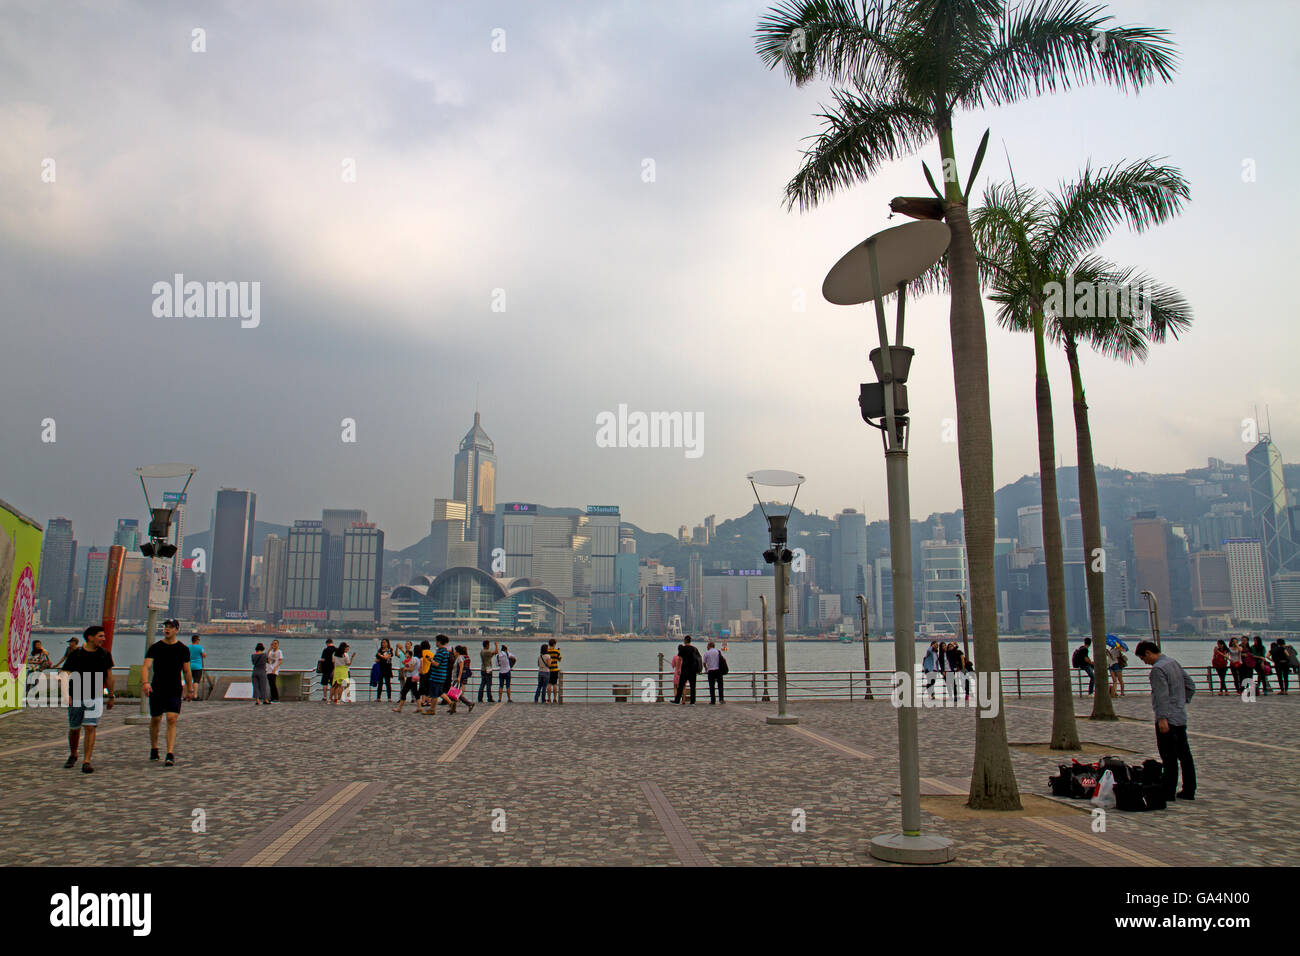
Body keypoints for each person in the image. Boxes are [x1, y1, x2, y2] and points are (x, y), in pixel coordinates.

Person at [1135, 640, 1196, 801]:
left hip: (1167, 719)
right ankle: (1189, 789)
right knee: (1185, 755)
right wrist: (1182, 702)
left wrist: (1162, 718)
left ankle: (1168, 791)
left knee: (1168, 757)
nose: (1145, 662)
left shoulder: (1158, 669)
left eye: (1143, 659)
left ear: (1148, 653)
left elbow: (1161, 696)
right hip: (1180, 716)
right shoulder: (1173, 663)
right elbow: (1190, 685)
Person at [60, 625, 114, 774]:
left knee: (90, 727)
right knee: (74, 728)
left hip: (95, 695)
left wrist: (111, 696)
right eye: (100, 636)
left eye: (103, 636)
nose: (103, 639)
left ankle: (87, 761)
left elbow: (109, 676)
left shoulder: (104, 654)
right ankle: (73, 754)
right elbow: (65, 673)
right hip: (76, 695)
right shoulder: (76, 654)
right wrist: (66, 695)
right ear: (90, 637)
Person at [142, 618, 195, 767]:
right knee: (156, 719)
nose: (167, 629)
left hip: (174, 688)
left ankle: (170, 753)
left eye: (171, 627)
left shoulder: (183, 649)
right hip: (157, 687)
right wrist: (145, 683)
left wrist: (190, 689)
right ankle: (154, 747)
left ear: (176, 630)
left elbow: (186, 670)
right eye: (165, 626)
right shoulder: (155, 647)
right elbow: (146, 667)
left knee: (172, 718)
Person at [420, 636, 453, 715]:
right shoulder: (446, 652)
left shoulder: (440, 652)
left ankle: (432, 709)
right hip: (442, 675)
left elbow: (437, 664)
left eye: (436, 641)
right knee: (440, 692)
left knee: (434, 693)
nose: (435, 643)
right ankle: (451, 703)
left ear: (439, 642)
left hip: (436, 675)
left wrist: (431, 660)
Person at [673, 635, 702, 705]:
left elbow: (680, 659)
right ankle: (692, 702)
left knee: (681, 685)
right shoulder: (694, 649)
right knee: (692, 686)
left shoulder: (683, 649)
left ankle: (677, 701)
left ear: (685, 640)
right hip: (693, 670)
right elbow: (699, 658)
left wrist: (679, 669)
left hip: (685, 669)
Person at [392, 644, 420, 712]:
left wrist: (405, 669)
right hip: (415, 677)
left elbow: (411, 669)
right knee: (415, 692)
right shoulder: (417, 659)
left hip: (411, 678)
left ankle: (399, 708)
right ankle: (419, 707)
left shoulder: (413, 659)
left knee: (404, 692)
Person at [703, 640, 725, 704]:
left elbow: (704, 662)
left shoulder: (706, 653)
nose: (706, 647)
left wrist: (706, 668)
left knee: (712, 686)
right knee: (720, 685)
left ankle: (713, 700)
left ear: (709, 646)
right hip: (718, 670)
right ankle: (721, 699)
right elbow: (723, 659)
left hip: (711, 671)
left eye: (707, 645)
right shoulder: (718, 652)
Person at [189, 635, 207, 701]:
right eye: (199, 639)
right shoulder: (200, 647)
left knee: (188, 681)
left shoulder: (188, 647)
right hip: (198, 666)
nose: (199, 641)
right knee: (196, 681)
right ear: (196, 640)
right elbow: (204, 655)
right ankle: (195, 695)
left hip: (189, 666)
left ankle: (188, 695)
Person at [546, 637, 563, 703]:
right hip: (555, 669)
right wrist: (558, 651)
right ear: (554, 644)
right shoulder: (557, 651)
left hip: (548, 670)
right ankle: (555, 699)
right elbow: (560, 659)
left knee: (549, 684)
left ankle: (549, 698)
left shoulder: (547, 651)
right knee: (555, 684)